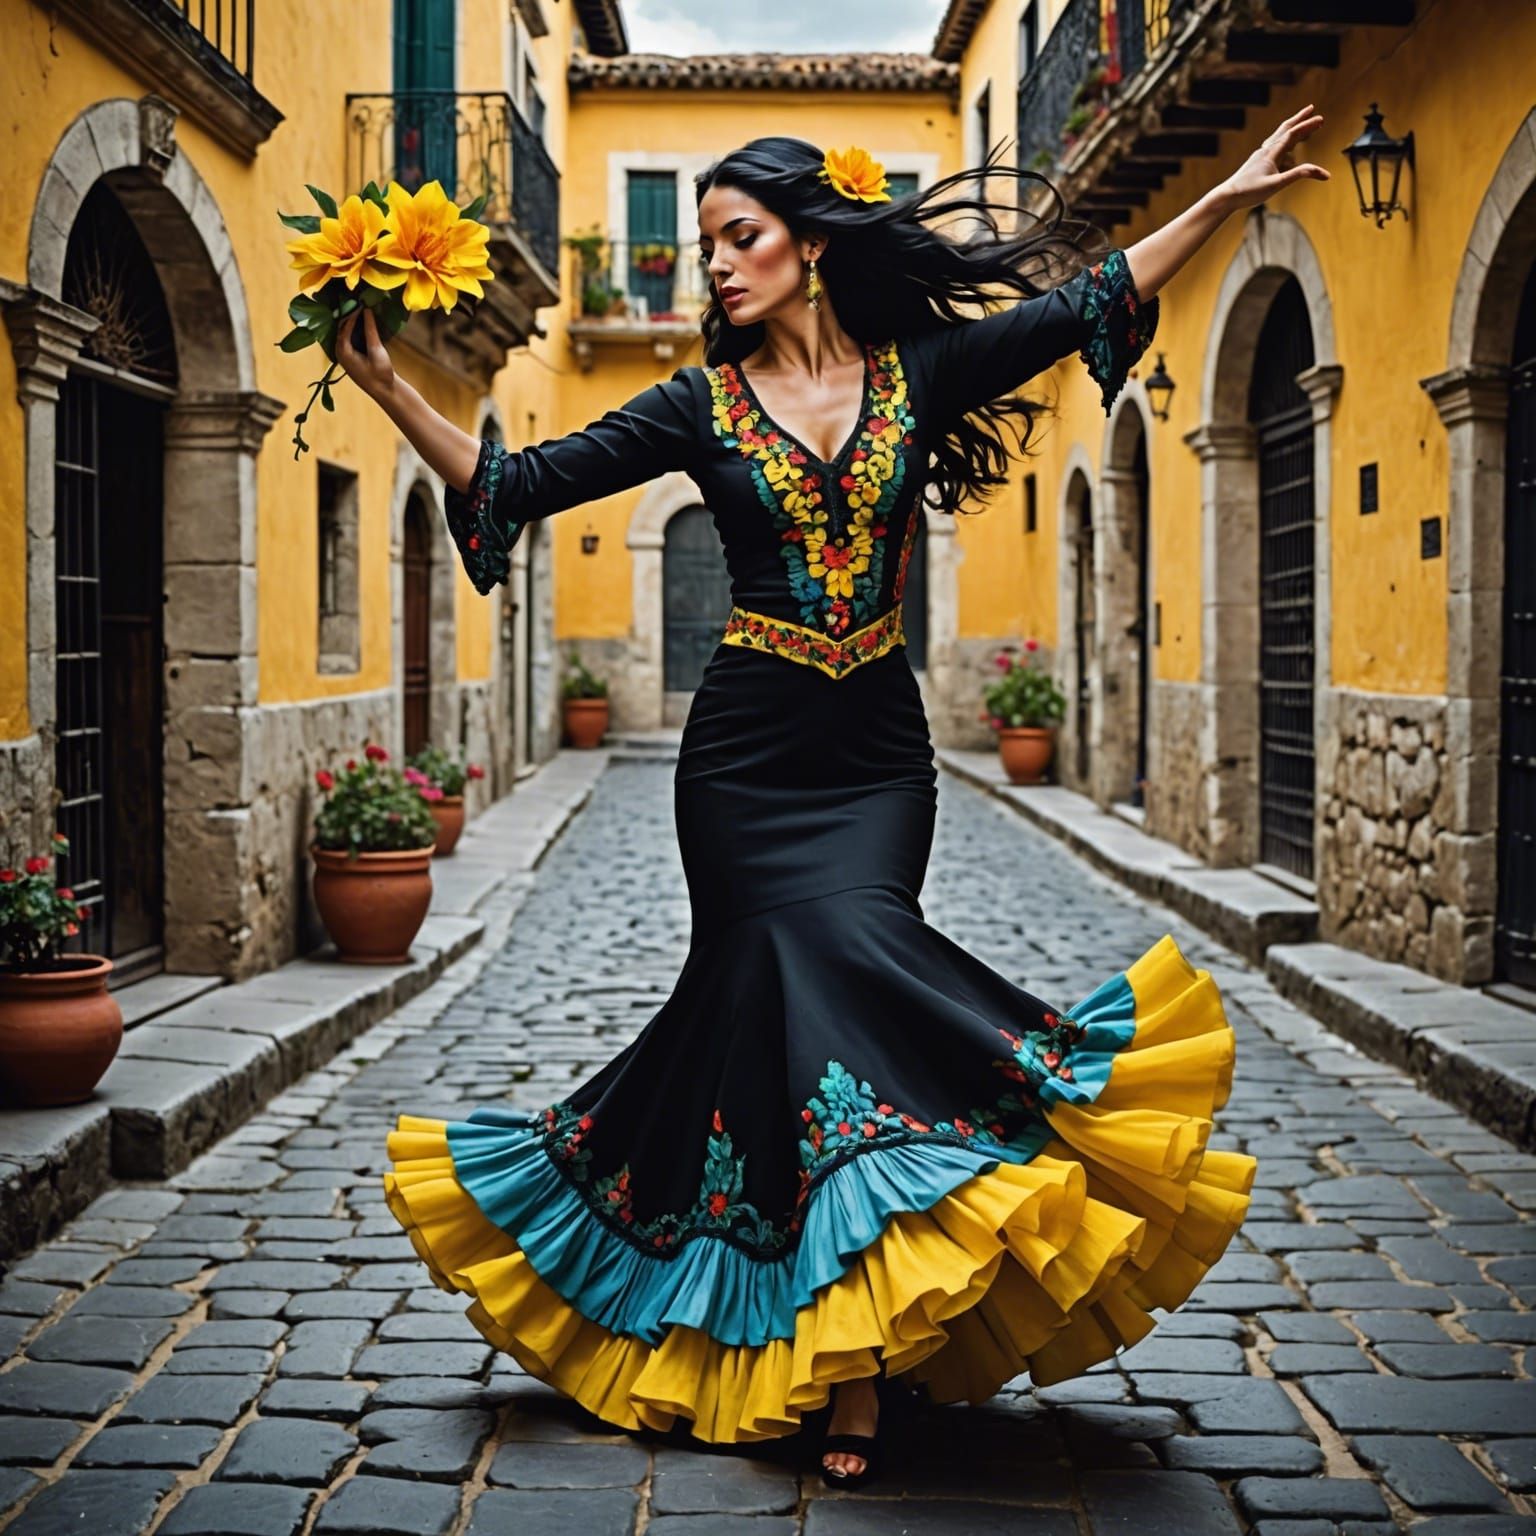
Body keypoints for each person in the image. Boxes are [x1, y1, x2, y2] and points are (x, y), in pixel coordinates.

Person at [363, 110, 1328, 1489]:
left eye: (737, 237)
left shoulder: (919, 372)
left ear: (810, 245)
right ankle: (851, 1364)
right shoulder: (696, 407)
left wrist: (1227, 193)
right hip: (743, 761)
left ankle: (843, 1331)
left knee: (843, 985)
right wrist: (390, 385)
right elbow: (517, 483)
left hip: (876, 755)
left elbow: (1088, 301)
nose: (715, 265)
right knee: (786, 991)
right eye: (707, 246)